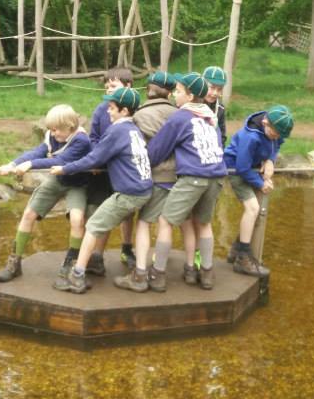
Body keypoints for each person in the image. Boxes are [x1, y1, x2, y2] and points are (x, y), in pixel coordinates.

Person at [50, 87, 152, 294]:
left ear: (124, 111)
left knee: (93, 226)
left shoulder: (117, 130)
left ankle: (77, 275)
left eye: (112, 108)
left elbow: (94, 158)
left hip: (129, 193)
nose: (108, 111)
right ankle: (99, 265)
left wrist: (64, 168)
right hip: (144, 189)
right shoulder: (134, 130)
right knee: (102, 224)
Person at [145, 72, 227, 291]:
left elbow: (157, 150)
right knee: (204, 223)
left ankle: (158, 274)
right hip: (217, 176)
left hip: (194, 177)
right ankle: (205, 273)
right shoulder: (211, 118)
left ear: (190, 96)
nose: (174, 95)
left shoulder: (180, 117)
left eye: (179, 91)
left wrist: (143, 162)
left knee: (165, 221)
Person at [0, 104, 91, 281]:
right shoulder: (52, 136)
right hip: (58, 180)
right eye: (51, 130)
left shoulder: (82, 141)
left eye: (57, 130)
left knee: (77, 220)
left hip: (78, 183)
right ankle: (14, 262)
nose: (53, 134)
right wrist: (13, 164)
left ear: (70, 127)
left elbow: (62, 160)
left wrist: (31, 165)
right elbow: (37, 152)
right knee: (29, 213)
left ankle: (70, 262)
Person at [113, 71, 177, 292]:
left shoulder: (139, 115)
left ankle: (140, 274)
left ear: (148, 88)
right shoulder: (179, 114)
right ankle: (159, 273)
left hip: (154, 176)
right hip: (178, 177)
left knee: (143, 223)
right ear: (169, 92)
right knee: (166, 224)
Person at [223, 105, 294, 277]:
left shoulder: (276, 129)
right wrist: (260, 183)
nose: (276, 138)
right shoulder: (251, 137)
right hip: (236, 170)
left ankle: (235, 250)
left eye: (279, 135)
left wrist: (270, 160)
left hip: (253, 168)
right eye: (274, 134)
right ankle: (242, 258)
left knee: (255, 213)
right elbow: (242, 167)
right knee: (253, 209)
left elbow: (276, 145)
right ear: (265, 123)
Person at [86, 66, 135, 274]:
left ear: (128, 86)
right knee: (101, 210)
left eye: (113, 86)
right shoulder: (100, 109)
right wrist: (98, 159)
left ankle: (126, 247)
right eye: (106, 86)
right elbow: (93, 137)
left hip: (125, 170)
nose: (108, 90)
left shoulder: (134, 110)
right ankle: (97, 256)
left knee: (127, 212)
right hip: (102, 170)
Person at [202, 65, 228, 146]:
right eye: (212, 87)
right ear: (202, 84)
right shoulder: (190, 104)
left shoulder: (220, 109)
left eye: (219, 89)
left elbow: (222, 137)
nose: (215, 93)